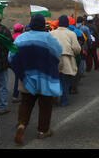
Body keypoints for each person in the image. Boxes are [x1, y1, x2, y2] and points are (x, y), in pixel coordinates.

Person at [9, 14, 62, 145]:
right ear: (43, 26)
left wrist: (21, 70)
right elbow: (58, 53)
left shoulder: (21, 38)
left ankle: (21, 124)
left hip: (27, 77)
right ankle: (43, 131)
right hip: (45, 78)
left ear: (31, 24)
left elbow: (11, 57)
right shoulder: (49, 38)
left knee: (26, 103)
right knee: (45, 105)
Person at [50, 15, 81, 107]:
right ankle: (64, 101)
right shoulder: (71, 33)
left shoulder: (52, 33)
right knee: (65, 81)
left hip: (54, 59)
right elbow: (76, 49)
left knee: (55, 80)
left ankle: (54, 100)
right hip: (66, 59)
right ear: (67, 24)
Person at [11, 23, 24, 103]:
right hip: (21, 59)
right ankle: (16, 95)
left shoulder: (12, 37)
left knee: (17, 77)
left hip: (13, 59)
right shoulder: (22, 37)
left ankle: (16, 95)